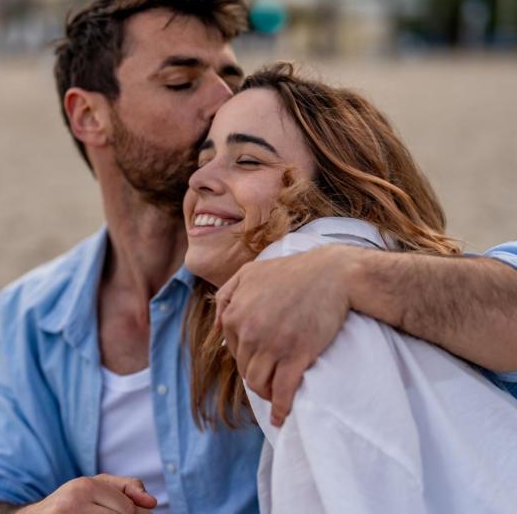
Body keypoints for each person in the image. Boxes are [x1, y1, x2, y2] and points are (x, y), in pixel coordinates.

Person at [0, 0, 517, 514]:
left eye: (231, 79)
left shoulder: (304, 257)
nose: (220, 99)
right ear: (89, 115)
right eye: (181, 81)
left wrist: (347, 273)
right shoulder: (33, 312)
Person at [184, 62, 517, 513]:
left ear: (336, 196)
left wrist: (342, 269)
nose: (198, 179)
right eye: (204, 161)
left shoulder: (301, 266)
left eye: (248, 160)